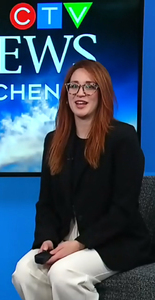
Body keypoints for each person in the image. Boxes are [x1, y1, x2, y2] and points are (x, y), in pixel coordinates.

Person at [11, 60, 154, 300]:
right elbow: (45, 203)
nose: (80, 93)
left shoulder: (123, 137)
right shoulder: (54, 140)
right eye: (74, 86)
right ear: (66, 93)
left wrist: (79, 244)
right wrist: (46, 238)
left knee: (64, 274)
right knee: (24, 272)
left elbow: (123, 210)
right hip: (64, 239)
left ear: (102, 93)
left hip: (114, 241)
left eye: (90, 86)